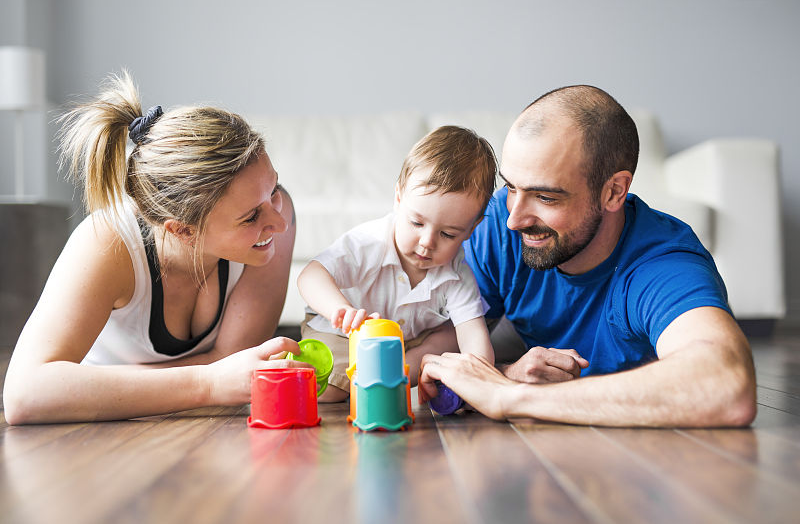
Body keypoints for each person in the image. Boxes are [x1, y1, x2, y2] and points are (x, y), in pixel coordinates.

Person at [419, 85, 757, 427]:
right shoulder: (498, 227)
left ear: (613, 192)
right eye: (511, 187)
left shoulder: (661, 262)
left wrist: (509, 396)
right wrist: (506, 374)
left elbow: (727, 385)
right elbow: (433, 348)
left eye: (546, 198)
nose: (514, 219)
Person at [3, 72, 305, 425]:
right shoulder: (107, 242)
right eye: (251, 216)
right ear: (183, 231)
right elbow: (24, 393)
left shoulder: (275, 222)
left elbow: (235, 363)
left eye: (274, 190)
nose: (279, 222)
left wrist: (98, 385)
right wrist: (207, 383)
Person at [297, 125, 497, 402]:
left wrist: (481, 378)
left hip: (406, 341)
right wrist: (340, 309)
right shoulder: (370, 243)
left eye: (448, 234)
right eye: (416, 223)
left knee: (451, 336)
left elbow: (473, 334)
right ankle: (383, 375)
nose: (427, 242)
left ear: (472, 229)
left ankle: (399, 371)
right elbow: (310, 275)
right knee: (327, 389)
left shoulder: (456, 274)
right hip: (345, 336)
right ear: (399, 198)